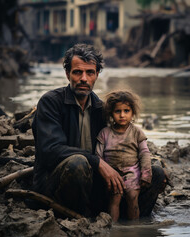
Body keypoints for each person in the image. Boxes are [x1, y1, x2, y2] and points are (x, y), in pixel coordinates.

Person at [32, 43, 166, 218]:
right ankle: (79, 219)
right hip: (55, 184)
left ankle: (130, 224)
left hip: (95, 187)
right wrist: (97, 162)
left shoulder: (101, 110)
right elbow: (50, 151)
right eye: (78, 72)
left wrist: (140, 165)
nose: (84, 79)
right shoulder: (51, 103)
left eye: (90, 73)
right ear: (67, 74)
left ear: (96, 75)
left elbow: (120, 145)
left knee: (156, 173)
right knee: (77, 163)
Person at [95, 90, 152, 222]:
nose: (122, 115)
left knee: (133, 197)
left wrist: (146, 173)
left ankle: (133, 228)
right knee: (114, 198)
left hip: (132, 171)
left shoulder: (136, 132)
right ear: (111, 113)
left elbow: (144, 153)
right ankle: (113, 228)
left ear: (132, 113)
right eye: (117, 111)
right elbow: (98, 155)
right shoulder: (105, 133)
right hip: (112, 173)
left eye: (126, 111)